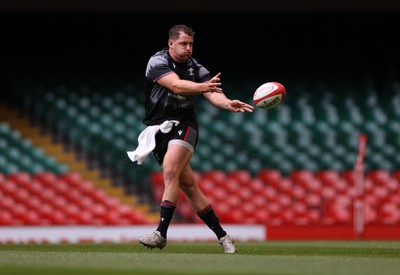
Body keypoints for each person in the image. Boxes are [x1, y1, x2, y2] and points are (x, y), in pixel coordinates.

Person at [131, 24, 254, 254]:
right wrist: (204, 87)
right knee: (189, 186)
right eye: (183, 44)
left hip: (185, 125)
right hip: (158, 130)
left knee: (169, 170)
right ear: (171, 43)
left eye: (191, 44)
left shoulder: (196, 68)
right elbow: (176, 85)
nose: (188, 48)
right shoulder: (157, 62)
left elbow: (212, 93)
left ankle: (160, 233)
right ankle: (224, 237)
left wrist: (227, 103)